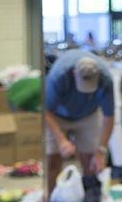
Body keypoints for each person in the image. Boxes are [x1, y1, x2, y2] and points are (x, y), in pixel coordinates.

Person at [44, 49, 114, 194]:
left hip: (89, 114)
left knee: (92, 162)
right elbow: (46, 112)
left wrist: (101, 150)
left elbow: (109, 118)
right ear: (74, 73)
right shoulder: (58, 75)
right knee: (52, 160)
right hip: (57, 115)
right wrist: (62, 140)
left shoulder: (106, 79)